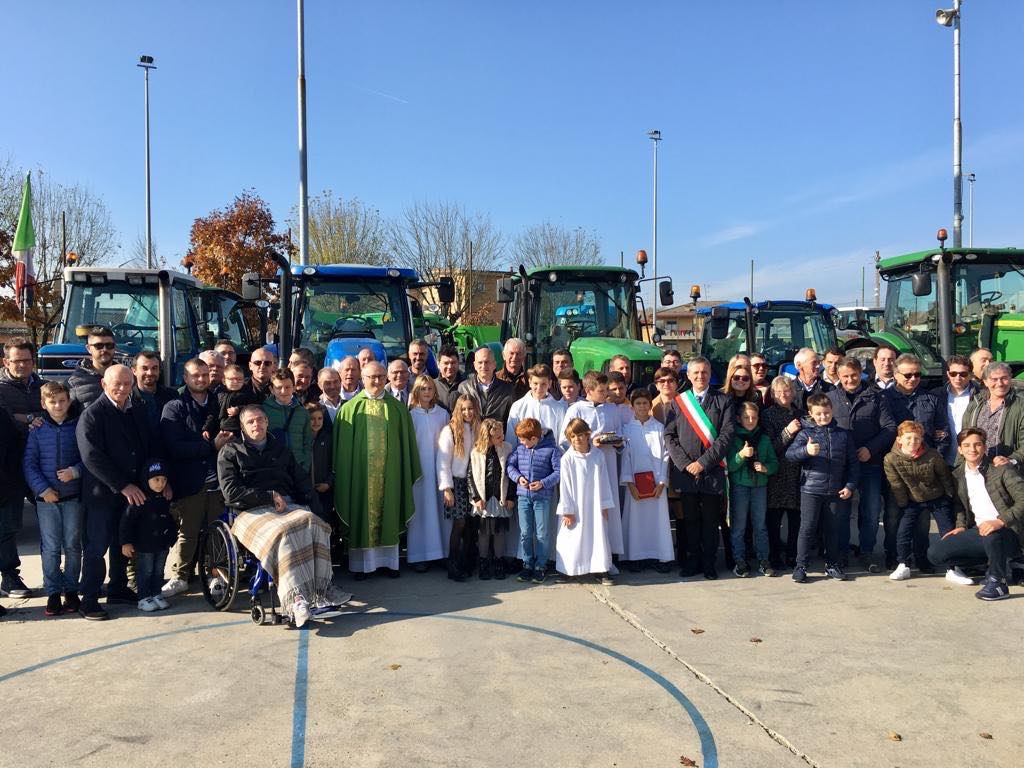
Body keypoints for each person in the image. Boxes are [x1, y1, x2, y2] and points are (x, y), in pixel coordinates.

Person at [218, 405, 339, 627]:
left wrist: (317, 510)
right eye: (251, 421)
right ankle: (296, 600)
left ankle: (323, 588)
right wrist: (268, 496)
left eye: (260, 420)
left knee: (315, 523)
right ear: (242, 427)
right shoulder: (230, 452)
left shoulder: (280, 449)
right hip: (249, 510)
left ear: (267, 422)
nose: (256, 424)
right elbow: (231, 492)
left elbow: (301, 481)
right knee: (284, 531)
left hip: (286, 504)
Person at [76, 365, 162, 620]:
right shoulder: (92, 415)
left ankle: (118, 588)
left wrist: (154, 480)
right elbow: (92, 457)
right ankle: (89, 598)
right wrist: (123, 485)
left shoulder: (136, 410)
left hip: (132, 493)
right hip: (103, 494)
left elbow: (148, 447)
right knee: (96, 547)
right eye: (117, 384)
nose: (123, 388)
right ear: (104, 384)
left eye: (127, 383)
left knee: (121, 543)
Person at [334, 361, 421, 579]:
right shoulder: (349, 409)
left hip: (390, 475)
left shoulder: (398, 409)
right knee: (361, 513)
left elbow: (406, 446)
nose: (377, 381)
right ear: (362, 379)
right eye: (372, 377)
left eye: (381, 377)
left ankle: (389, 564)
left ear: (386, 378)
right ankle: (362, 566)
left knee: (389, 512)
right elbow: (341, 454)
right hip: (360, 477)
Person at [160, 357, 230, 598]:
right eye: (195, 375)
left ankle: (216, 575)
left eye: (204, 374)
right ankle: (180, 577)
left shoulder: (219, 402)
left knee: (218, 532)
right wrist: (210, 446)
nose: (201, 379)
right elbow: (174, 447)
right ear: (185, 378)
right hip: (189, 482)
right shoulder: (175, 407)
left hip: (218, 481)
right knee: (187, 533)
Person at [926, 427, 1023, 601]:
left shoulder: (1001, 470)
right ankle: (988, 563)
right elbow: (960, 505)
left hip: (1009, 531)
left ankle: (998, 582)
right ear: (960, 450)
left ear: (984, 447)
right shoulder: (958, 475)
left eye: (977, 444)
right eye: (967, 445)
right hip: (979, 530)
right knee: (936, 553)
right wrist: (961, 526)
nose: (972, 449)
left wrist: (1000, 521)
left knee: (991, 534)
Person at [664, 357, 735, 579]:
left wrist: (703, 463)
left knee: (711, 522)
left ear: (710, 374)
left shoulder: (723, 400)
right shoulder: (679, 402)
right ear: (688, 375)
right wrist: (686, 465)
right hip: (687, 474)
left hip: (712, 471)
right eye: (695, 372)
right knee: (690, 521)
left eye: (704, 372)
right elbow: (669, 435)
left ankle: (709, 564)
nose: (700, 376)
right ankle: (692, 561)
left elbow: (727, 435)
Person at [827, 356, 896, 572]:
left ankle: (866, 552)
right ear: (838, 376)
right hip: (841, 466)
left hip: (869, 463)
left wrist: (870, 449)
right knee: (841, 513)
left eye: (854, 375)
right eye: (845, 376)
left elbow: (889, 427)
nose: (850, 380)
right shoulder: (830, 398)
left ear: (861, 373)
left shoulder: (876, 397)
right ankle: (842, 553)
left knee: (871, 511)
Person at [882, 353, 949, 570]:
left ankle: (921, 557)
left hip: (924, 467)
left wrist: (933, 459)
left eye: (917, 375)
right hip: (898, 468)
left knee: (922, 518)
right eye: (908, 375)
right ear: (895, 374)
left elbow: (943, 432)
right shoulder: (884, 399)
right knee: (894, 514)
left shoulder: (931, 399)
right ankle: (895, 556)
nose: (913, 379)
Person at [22, 380, 82, 615]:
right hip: (46, 500)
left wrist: (74, 472)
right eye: (52, 401)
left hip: (73, 497)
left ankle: (72, 590)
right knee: (50, 547)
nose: (58, 406)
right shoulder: (37, 430)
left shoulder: (78, 426)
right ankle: (53, 592)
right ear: (43, 403)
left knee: (73, 545)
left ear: (69, 401)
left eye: (62, 401)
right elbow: (29, 463)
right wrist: (43, 490)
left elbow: (87, 458)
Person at [786, 394, 859, 583]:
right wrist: (806, 451)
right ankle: (801, 566)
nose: (823, 417)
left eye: (826, 413)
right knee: (807, 528)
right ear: (811, 413)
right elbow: (790, 455)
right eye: (818, 414)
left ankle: (832, 564)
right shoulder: (805, 434)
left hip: (835, 491)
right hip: (810, 490)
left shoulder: (843, 435)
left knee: (833, 529)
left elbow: (853, 464)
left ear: (832, 411)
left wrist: (850, 486)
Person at [562, 372, 625, 559]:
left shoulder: (612, 409)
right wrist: (590, 444)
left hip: (608, 462)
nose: (606, 394)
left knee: (607, 506)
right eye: (601, 391)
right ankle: (585, 555)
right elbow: (565, 440)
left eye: (606, 390)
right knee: (587, 506)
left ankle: (609, 554)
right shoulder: (576, 409)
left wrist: (617, 442)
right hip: (585, 467)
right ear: (588, 390)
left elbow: (620, 434)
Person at [883, 421, 955, 581]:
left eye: (917, 438)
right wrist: (904, 505)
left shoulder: (933, 455)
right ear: (899, 439)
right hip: (913, 500)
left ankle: (953, 567)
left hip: (936, 497)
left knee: (947, 530)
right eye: (908, 438)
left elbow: (944, 476)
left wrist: (949, 497)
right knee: (904, 531)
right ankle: (903, 563)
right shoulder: (890, 458)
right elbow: (896, 484)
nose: (913, 442)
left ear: (922, 439)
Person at [0, 337, 43, 599]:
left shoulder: (43, 385)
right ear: (6, 362)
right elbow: (5, 419)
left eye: (27, 360)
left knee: (53, 520)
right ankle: (9, 576)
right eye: (17, 361)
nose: (22, 365)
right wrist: (31, 418)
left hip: (41, 463)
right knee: (9, 524)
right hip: (10, 467)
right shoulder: (0, 389)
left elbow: (56, 410)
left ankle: (56, 574)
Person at [556, 418, 616, 585]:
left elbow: (604, 481)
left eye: (581, 435)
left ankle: (600, 568)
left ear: (588, 435)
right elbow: (565, 486)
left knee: (597, 534)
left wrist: (604, 504)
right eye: (573, 436)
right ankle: (570, 569)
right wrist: (567, 510)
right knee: (572, 535)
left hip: (595, 504)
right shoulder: (567, 459)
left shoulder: (598, 456)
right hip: (575, 506)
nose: (577, 439)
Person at [620, 390, 674, 572]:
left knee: (657, 521)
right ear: (632, 406)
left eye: (645, 403)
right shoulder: (627, 429)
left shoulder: (659, 428)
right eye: (638, 403)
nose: (642, 406)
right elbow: (625, 457)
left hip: (656, 484)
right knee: (636, 521)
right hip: (635, 484)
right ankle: (636, 557)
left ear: (650, 405)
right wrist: (630, 484)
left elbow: (665, 456)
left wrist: (662, 482)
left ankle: (660, 557)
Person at [726, 401, 779, 577]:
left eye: (754, 417)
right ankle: (739, 561)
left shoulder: (764, 439)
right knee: (739, 526)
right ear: (739, 419)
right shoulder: (733, 439)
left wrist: (766, 468)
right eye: (746, 417)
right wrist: (741, 455)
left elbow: (774, 463)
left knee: (760, 525)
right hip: (740, 486)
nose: (750, 420)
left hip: (759, 487)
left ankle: (764, 560)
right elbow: (729, 466)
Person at [507, 417, 561, 584]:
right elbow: (510, 466)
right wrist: (518, 478)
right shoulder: (520, 449)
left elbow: (558, 472)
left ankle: (541, 566)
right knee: (525, 532)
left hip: (542, 499)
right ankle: (527, 564)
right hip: (523, 497)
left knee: (542, 533)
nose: (521, 443)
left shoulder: (551, 450)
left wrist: (543, 483)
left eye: (524, 440)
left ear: (534, 438)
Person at [120, 460, 176, 612]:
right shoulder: (138, 499)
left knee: (159, 570)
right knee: (146, 571)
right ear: (147, 479)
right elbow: (126, 522)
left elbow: (169, 519)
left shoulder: (164, 498)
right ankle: (143, 597)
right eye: (156, 479)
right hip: (144, 545)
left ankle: (156, 593)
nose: (160, 483)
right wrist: (126, 542)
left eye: (164, 479)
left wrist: (171, 537)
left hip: (162, 544)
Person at [437, 395, 481, 581]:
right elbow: (442, 461)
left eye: (470, 408)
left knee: (471, 524)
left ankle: (467, 562)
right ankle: (453, 564)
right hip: (457, 482)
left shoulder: (478, 428)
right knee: (459, 523)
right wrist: (447, 488)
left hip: (475, 482)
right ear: (458, 410)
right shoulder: (450, 430)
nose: (467, 412)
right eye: (463, 409)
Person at [407, 375, 448, 571]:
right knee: (421, 512)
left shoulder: (442, 414)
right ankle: (420, 555)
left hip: (440, 469)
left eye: (430, 388)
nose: (426, 392)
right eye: (422, 389)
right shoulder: (411, 415)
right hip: (419, 472)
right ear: (416, 391)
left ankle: (443, 552)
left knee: (441, 511)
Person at [761, 376, 803, 570]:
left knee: (796, 519)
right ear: (773, 394)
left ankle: (793, 555)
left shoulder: (801, 414)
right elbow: (770, 447)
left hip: (797, 473)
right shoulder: (767, 415)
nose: (783, 395)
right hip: (776, 474)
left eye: (787, 390)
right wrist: (788, 431)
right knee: (774, 520)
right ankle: (775, 556)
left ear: (793, 392)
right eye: (779, 392)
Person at [468, 418, 515, 580]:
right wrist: (476, 497)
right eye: (498, 437)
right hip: (484, 499)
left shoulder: (507, 449)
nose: (502, 439)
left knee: (499, 531)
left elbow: (512, 474)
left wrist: (510, 497)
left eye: (502, 435)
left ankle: (498, 561)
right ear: (487, 437)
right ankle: (483, 562)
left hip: (501, 498)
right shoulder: (476, 452)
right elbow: (471, 476)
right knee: (483, 532)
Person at [960, 362, 1024, 465]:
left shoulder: (1021, 407)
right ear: (985, 382)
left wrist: (1011, 460)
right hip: (976, 467)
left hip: (1007, 469)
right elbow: (964, 438)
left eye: (1004, 378)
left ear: (1010, 379)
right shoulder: (975, 405)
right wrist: (961, 465)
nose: (1000, 383)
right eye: (994, 379)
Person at [263, 368, 313, 473]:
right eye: (279, 387)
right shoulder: (264, 411)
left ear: (294, 388)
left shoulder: (302, 412)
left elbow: (308, 441)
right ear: (271, 389)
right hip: (273, 467)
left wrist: (305, 465)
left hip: (298, 465)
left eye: (287, 387)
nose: (283, 391)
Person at [220, 347, 277, 433]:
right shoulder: (238, 388)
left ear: (273, 366)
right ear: (250, 366)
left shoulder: (281, 388)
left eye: (267, 363)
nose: (262, 366)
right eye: (257, 363)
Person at [458, 346, 515, 427]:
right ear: (474, 365)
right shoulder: (463, 388)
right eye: (480, 362)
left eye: (487, 362)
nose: (483, 366)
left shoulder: (507, 389)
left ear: (494, 364)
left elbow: (511, 420)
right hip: (472, 434)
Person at [938, 355, 980, 466]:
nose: (958, 378)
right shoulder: (936, 395)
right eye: (953, 374)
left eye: (963, 374)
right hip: (944, 457)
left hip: (971, 458)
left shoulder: (981, 396)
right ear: (948, 374)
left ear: (970, 375)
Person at [130, 351, 178, 437]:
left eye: (154, 368)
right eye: (144, 368)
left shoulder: (172, 396)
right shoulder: (127, 400)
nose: (150, 373)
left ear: (159, 370)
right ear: (134, 371)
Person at [68, 325, 118, 407]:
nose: (104, 349)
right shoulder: (74, 382)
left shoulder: (127, 378)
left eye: (109, 345)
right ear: (88, 348)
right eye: (98, 346)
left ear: (115, 347)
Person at [307, 403, 335, 523]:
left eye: (320, 418)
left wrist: (328, 483)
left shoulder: (328, 438)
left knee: (325, 522)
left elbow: (334, 463)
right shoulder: (302, 438)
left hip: (324, 490)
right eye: (312, 419)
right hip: (307, 491)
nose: (316, 422)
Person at [792, 347, 832, 413]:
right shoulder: (789, 390)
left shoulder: (830, 389)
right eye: (814, 363)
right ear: (799, 365)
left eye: (819, 363)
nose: (818, 366)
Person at [434, 345, 465, 412]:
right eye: (446, 363)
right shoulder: (432, 386)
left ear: (458, 363)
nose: (450, 366)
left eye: (453, 363)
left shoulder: (466, 385)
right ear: (438, 364)